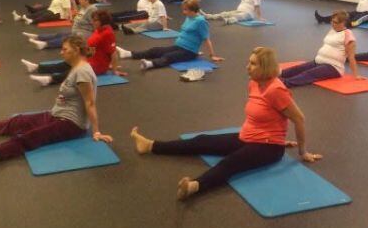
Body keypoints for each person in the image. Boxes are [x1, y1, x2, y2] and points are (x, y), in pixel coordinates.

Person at [129, 46, 322, 200]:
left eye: (253, 64)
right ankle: (151, 146)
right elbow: (267, 115)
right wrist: (280, 135)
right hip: (247, 136)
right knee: (201, 141)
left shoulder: (276, 90)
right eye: (249, 62)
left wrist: (302, 151)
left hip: (268, 147)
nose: (248, 67)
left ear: (264, 67)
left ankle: (194, 186)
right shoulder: (254, 83)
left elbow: (299, 118)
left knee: (231, 163)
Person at [0, 35, 113, 168]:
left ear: (77, 50)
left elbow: (90, 103)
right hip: (57, 114)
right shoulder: (75, 68)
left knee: (31, 136)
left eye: (65, 49)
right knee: (18, 121)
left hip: (71, 124)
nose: (61, 52)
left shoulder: (83, 72)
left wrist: (96, 131)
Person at [116, 0, 224, 70]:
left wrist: (212, 55)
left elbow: (206, 39)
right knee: (155, 50)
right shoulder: (189, 17)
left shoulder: (201, 21)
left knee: (168, 56)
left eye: (186, 10)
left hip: (189, 51)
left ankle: (150, 64)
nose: (183, 12)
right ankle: (129, 54)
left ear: (193, 10)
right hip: (179, 46)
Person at [22, 10, 126, 85]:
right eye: (93, 20)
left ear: (102, 22)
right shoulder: (98, 30)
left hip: (97, 65)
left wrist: (114, 69)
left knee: (75, 71)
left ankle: (50, 79)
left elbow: (113, 53)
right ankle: (37, 67)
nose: (93, 22)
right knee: (66, 63)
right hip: (89, 58)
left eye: (95, 21)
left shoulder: (108, 33)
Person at [280, 10, 363, 87]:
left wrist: (356, 75)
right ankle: (276, 74)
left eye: (335, 22)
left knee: (308, 74)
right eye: (332, 21)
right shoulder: (333, 30)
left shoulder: (348, 36)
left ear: (343, 23)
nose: (332, 24)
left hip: (333, 67)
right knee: (298, 69)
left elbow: (351, 57)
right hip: (319, 61)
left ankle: (284, 84)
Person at [22, 0, 99, 50]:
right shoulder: (83, 7)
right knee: (59, 34)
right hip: (77, 30)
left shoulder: (92, 9)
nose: (79, 1)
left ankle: (45, 44)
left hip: (84, 33)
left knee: (67, 39)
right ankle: (37, 37)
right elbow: (80, 18)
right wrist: (74, 20)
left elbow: (96, 24)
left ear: (87, 0)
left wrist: (95, 39)